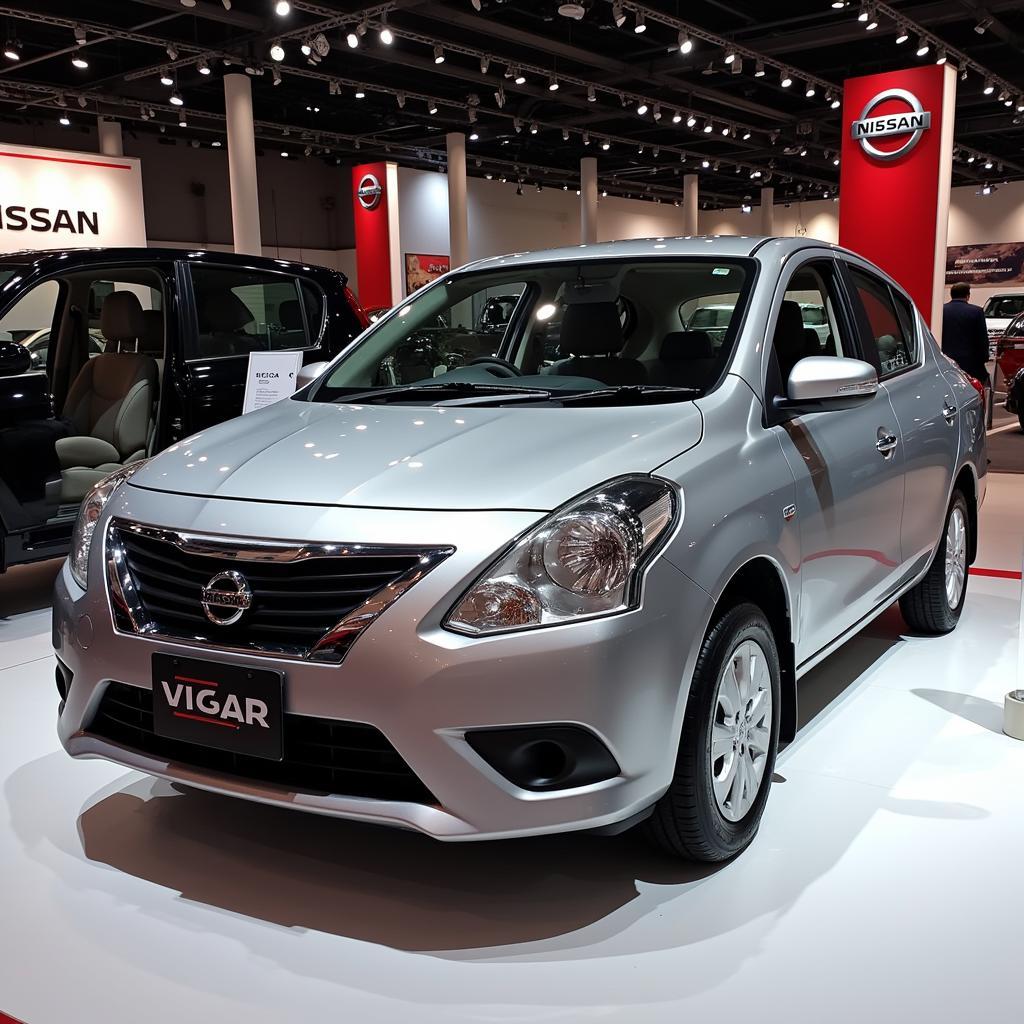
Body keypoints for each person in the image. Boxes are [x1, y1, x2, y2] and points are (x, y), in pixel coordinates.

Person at [942, 282, 990, 384]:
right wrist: (984, 357)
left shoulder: (942, 310)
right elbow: (982, 338)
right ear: (967, 296)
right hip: (971, 363)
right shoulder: (976, 311)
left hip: (946, 360)